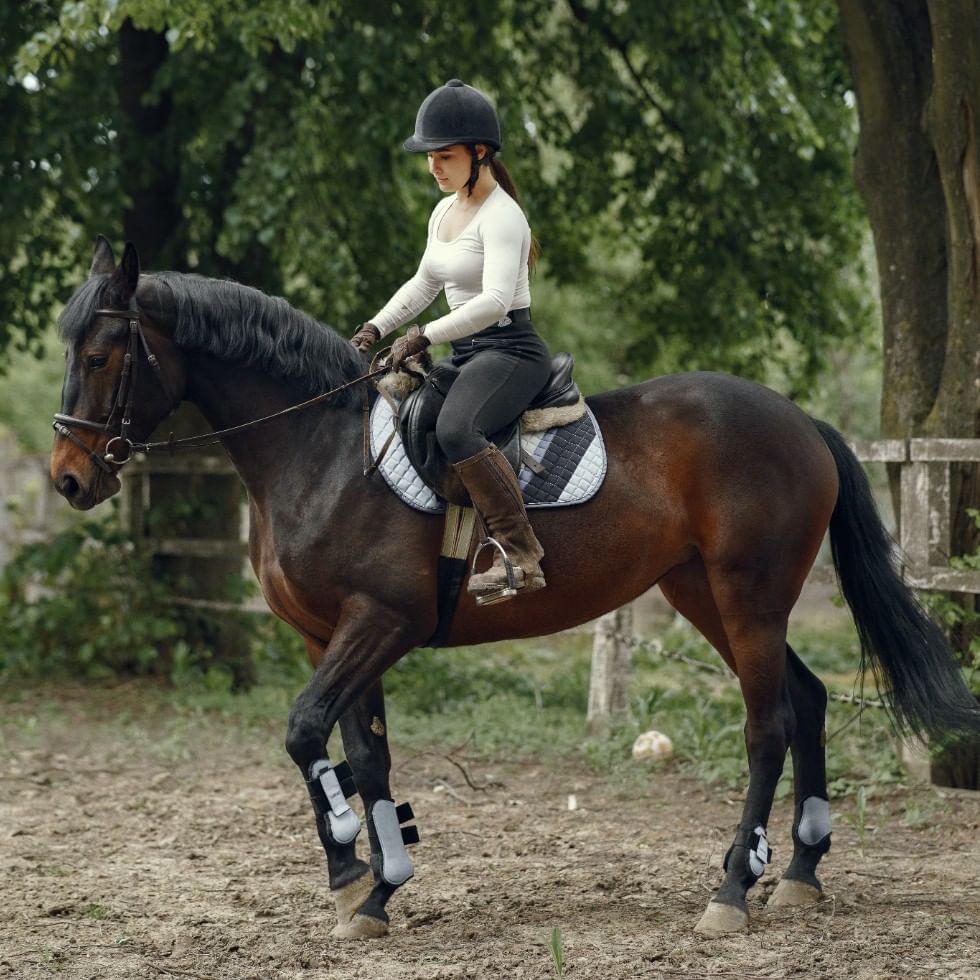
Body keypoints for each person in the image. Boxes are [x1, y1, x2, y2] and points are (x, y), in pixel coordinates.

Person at [350, 78, 551, 601]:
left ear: (479, 153)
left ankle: (520, 552)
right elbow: (424, 283)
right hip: (466, 353)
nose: (433, 168)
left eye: (444, 156)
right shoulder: (444, 210)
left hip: (509, 351)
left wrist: (422, 336)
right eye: (429, 157)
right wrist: (376, 327)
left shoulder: (504, 216)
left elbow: (494, 303)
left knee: (458, 429)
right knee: (401, 413)